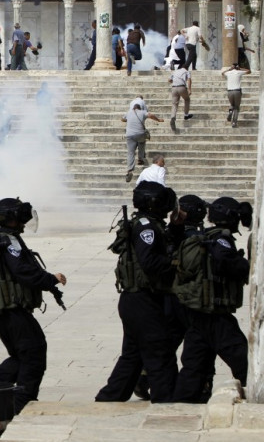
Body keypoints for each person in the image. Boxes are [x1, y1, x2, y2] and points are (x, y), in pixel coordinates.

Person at [0, 198, 67, 414]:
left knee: (22, 356)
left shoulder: (6, 239)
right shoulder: (9, 242)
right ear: (12, 219)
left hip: (7, 310)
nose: (23, 223)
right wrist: (50, 279)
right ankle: (22, 402)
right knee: (33, 353)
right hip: (12, 311)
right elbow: (24, 272)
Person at [96, 181, 181, 403]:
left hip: (136, 300)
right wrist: (176, 263)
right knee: (160, 352)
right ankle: (166, 401)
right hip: (142, 299)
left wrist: (176, 227)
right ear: (153, 203)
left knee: (133, 356)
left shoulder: (148, 224)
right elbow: (150, 261)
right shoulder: (147, 228)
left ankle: (110, 398)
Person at [172, 197, 252, 403]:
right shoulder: (221, 239)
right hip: (214, 313)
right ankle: (254, 392)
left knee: (195, 361)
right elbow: (225, 261)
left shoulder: (206, 235)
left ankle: (184, 400)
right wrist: (247, 266)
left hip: (198, 311)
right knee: (241, 355)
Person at [122, 104, 163, 183]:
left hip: (130, 135)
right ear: (139, 108)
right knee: (142, 142)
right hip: (140, 134)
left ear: (133, 108)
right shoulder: (143, 112)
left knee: (131, 152)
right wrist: (158, 120)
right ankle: (140, 158)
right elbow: (150, 115)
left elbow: (122, 119)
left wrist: (128, 120)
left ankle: (130, 170)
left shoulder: (128, 113)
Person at [222, 63, 251, 128]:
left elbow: (222, 73)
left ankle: (230, 111)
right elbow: (249, 71)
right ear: (237, 67)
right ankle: (234, 122)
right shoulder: (239, 72)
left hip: (229, 92)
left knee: (232, 104)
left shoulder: (228, 73)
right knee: (236, 107)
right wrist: (240, 68)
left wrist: (229, 69)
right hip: (237, 91)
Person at [169, 66, 193, 132]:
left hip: (174, 88)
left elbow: (169, 80)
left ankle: (173, 117)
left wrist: (174, 81)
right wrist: (189, 89)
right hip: (182, 87)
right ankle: (186, 115)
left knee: (174, 104)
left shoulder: (175, 71)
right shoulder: (186, 71)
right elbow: (189, 80)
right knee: (187, 99)